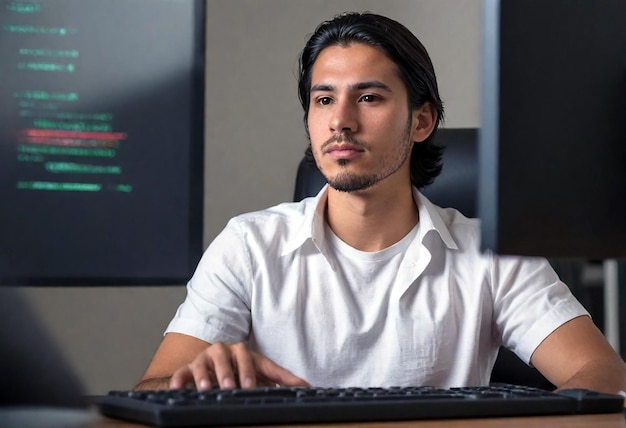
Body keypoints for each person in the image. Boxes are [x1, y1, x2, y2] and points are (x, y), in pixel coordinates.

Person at [136, 11, 626, 394]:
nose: (340, 121)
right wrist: (196, 385)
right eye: (323, 100)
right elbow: (150, 390)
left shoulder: (492, 253)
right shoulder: (247, 245)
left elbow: (603, 372)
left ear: (421, 121)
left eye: (369, 97)